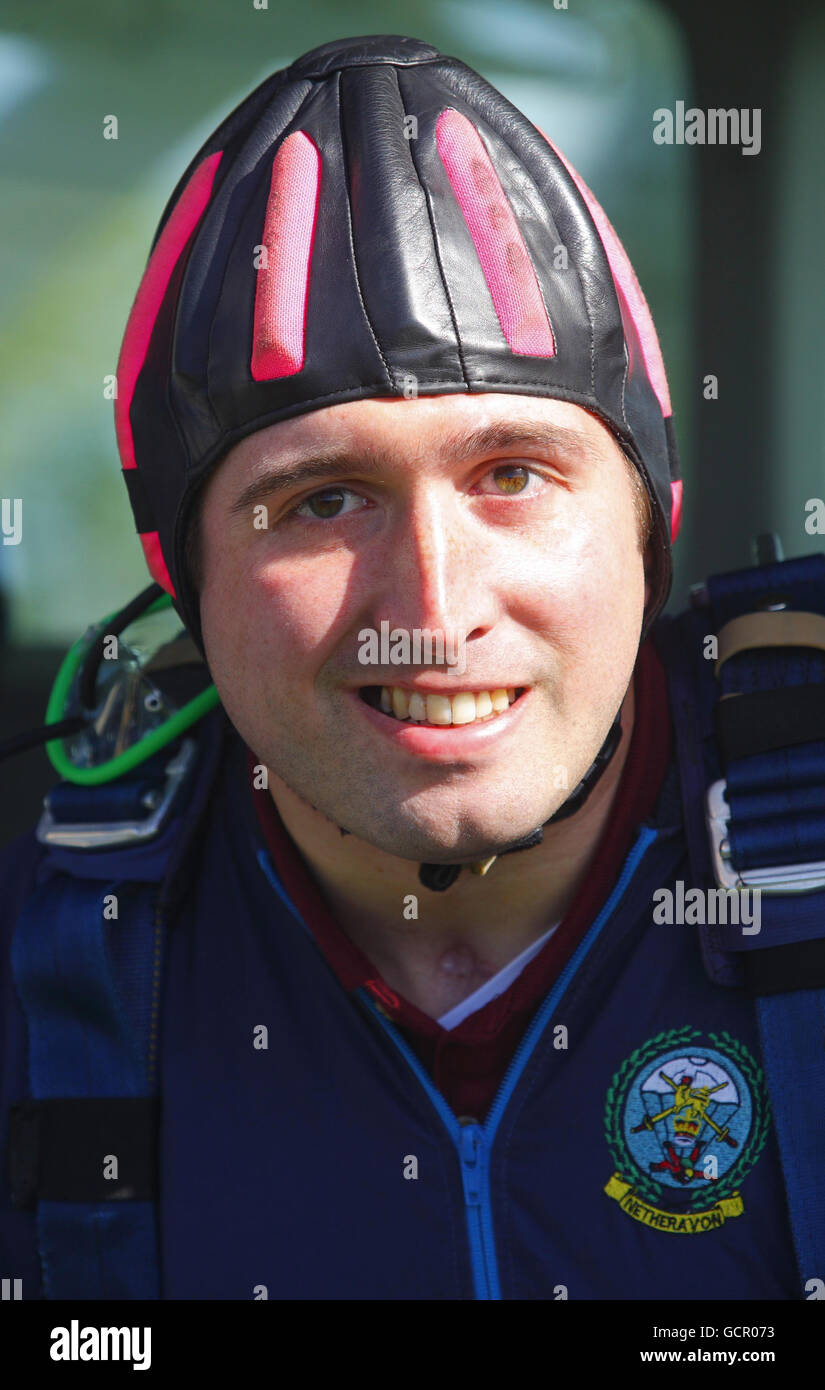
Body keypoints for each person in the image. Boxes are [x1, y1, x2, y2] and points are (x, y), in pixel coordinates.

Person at [1, 35, 821, 1302]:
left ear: (653, 518)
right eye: (324, 499)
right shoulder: (49, 961)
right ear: (183, 577)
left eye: (514, 476)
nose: (432, 609)